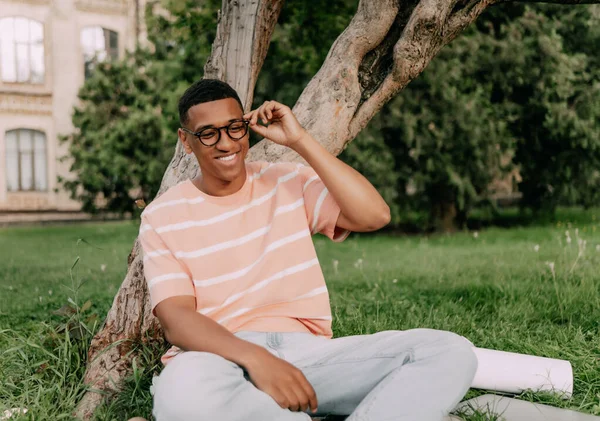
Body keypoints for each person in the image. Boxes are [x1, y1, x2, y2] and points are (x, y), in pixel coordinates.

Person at [138, 79, 477, 421]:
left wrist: (300, 140)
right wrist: (256, 358)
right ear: (186, 141)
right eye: (208, 133)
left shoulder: (287, 180)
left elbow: (375, 215)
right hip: (219, 358)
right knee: (179, 394)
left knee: (449, 352)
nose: (226, 143)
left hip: (308, 356)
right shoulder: (162, 216)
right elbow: (176, 320)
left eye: (234, 128)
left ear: (246, 125)